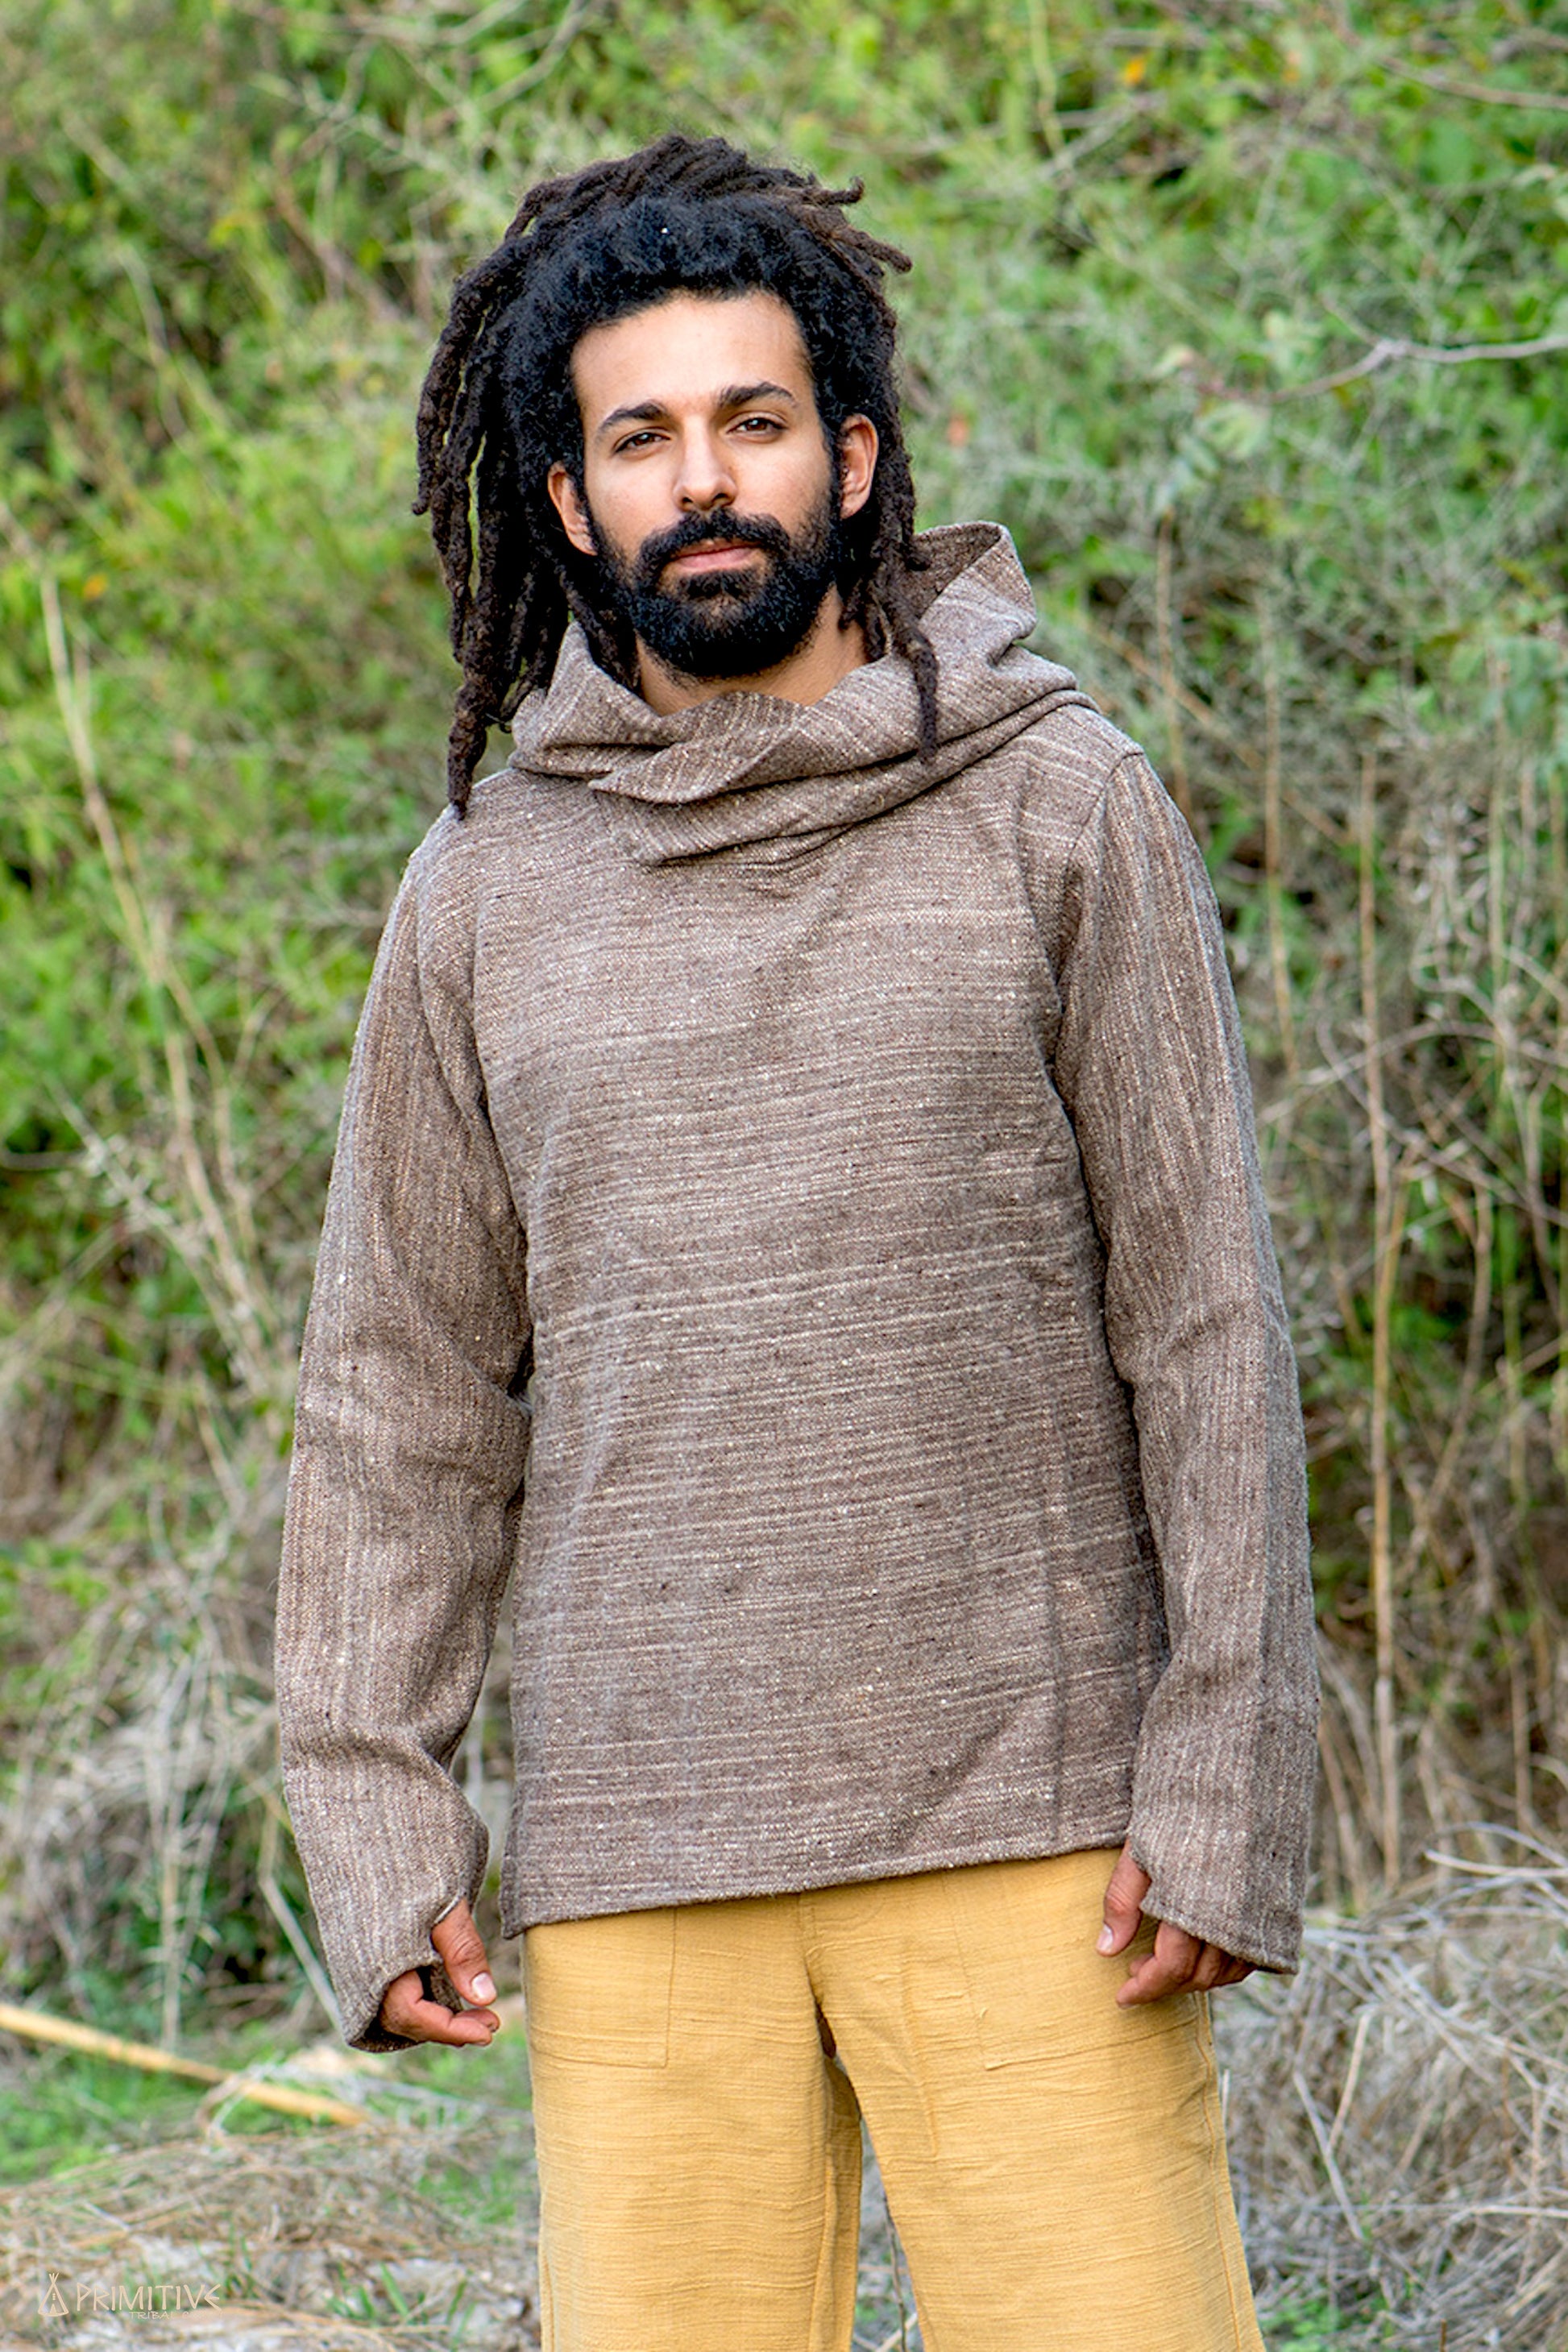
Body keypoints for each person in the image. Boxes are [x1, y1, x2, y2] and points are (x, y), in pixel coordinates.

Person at [276, 133, 1317, 2352]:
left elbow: (1206, 1324)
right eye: (640, 439)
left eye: (752, 421)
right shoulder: (485, 892)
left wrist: (1223, 1772)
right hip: (646, 1840)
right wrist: (374, 1812)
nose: (704, 481)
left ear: (847, 458)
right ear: (572, 506)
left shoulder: (1058, 803)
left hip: (1041, 1830)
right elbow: (399, 1389)